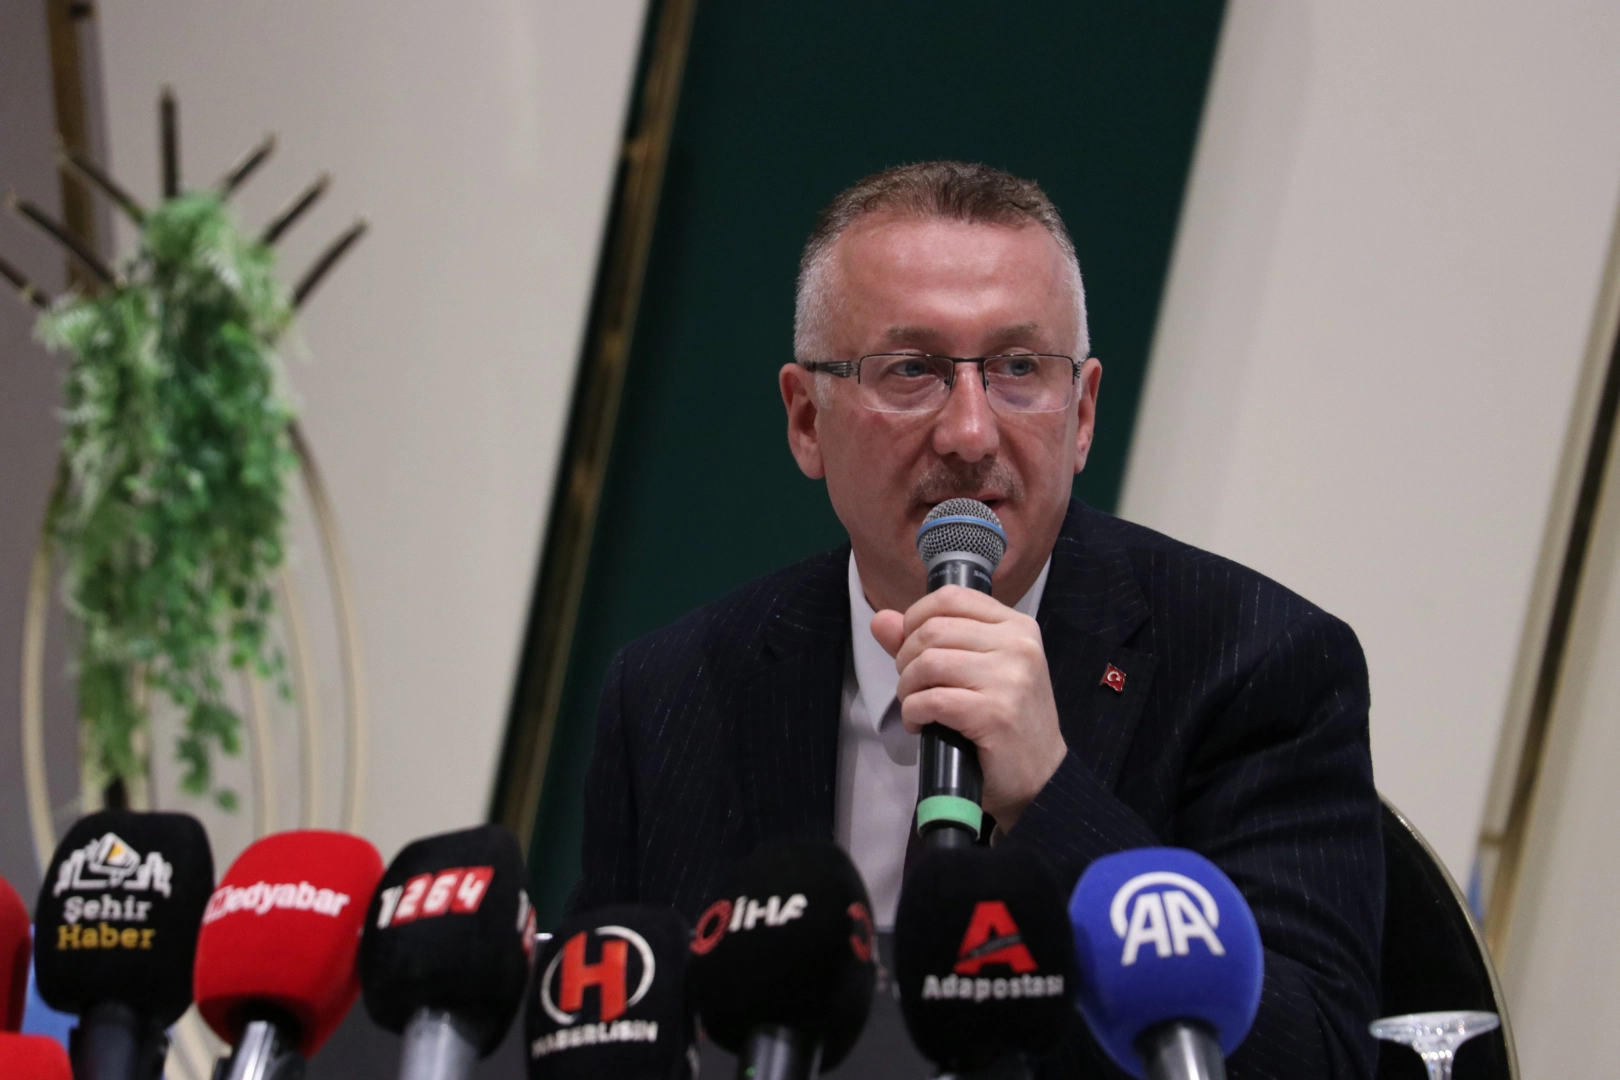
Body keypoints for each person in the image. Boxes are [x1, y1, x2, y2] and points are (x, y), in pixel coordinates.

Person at [575, 161, 1382, 1077]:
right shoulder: (671, 693)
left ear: (1083, 413)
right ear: (806, 419)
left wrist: (1051, 796)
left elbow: (1317, 1057)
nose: (969, 432)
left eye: (1018, 370)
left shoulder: (1257, 664)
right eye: (911, 370)